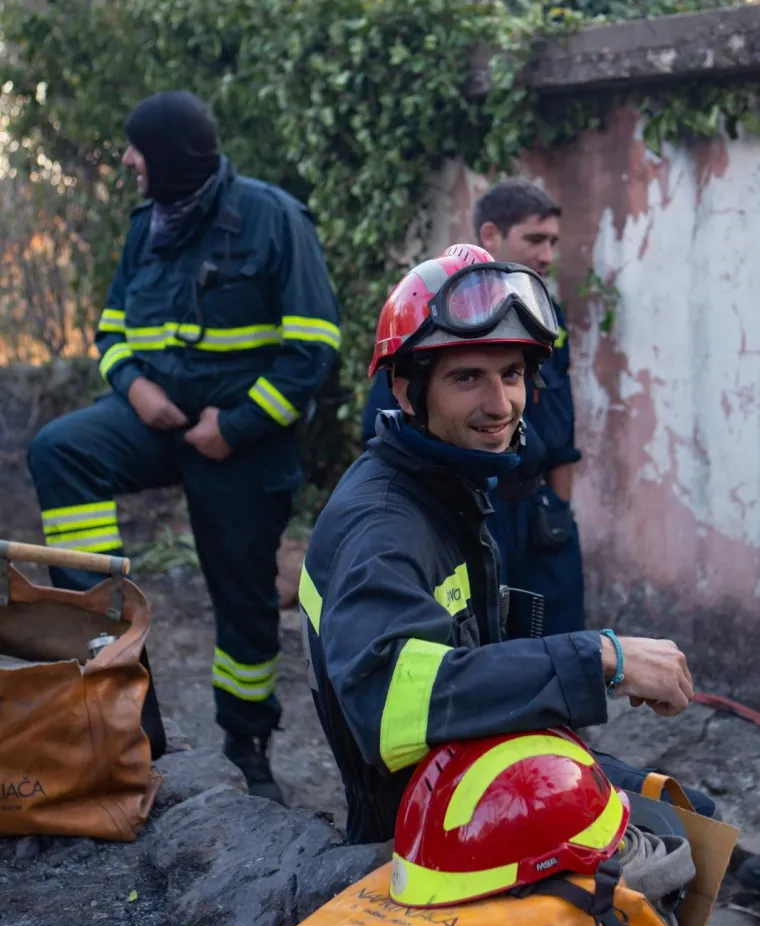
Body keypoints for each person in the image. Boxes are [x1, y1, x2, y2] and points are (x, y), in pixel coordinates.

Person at [300, 248, 714, 844]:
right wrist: (600, 655)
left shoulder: (441, 490)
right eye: (467, 377)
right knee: (677, 842)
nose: (499, 405)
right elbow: (390, 705)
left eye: (512, 374)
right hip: (430, 830)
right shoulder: (384, 525)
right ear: (408, 390)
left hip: (473, 774)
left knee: (690, 815)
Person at [27, 91, 341, 802]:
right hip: (157, 420)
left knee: (244, 601)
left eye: (138, 148)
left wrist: (233, 427)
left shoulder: (272, 218)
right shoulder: (149, 224)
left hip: (243, 438)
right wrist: (134, 389)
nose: (130, 160)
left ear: (171, 154)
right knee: (60, 449)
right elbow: (111, 328)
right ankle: (117, 673)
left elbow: (314, 346)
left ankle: (247, 745)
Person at [361, 179, 583, 634]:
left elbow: (563, 435)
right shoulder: (430, 319)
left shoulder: (545, 318)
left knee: (557, 643)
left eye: (512, 373)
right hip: (476, 511)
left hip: (537, 516)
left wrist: (559, 510)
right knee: (482, 646)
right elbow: (388, 436)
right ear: (490, 236)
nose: (547, 256)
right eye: (534, 239)